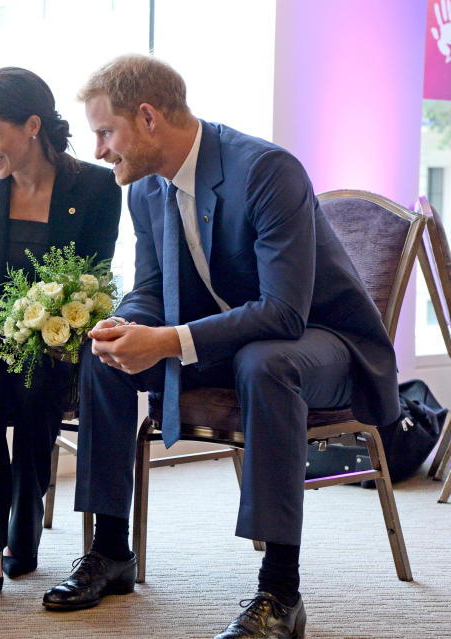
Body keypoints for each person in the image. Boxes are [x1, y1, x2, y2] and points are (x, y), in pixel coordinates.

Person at [42, 54, 400, 639]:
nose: (100, 149)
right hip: (236, 338)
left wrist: (170, 341)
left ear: (149, 118)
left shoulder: (265, 170)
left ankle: (280, 591)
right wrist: (125, 327)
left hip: (326, 340)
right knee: (103, 355)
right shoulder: (145, 191)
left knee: (267, 363)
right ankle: (111, 552)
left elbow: (285, 312)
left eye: (106, 132)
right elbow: (154, 288)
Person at [0, 67, 121, 599]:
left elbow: (87, 280)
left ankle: (26, 513)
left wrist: (9, 311)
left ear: (32, 125)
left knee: (44, 356)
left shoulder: (98, 187)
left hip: (64, 332)